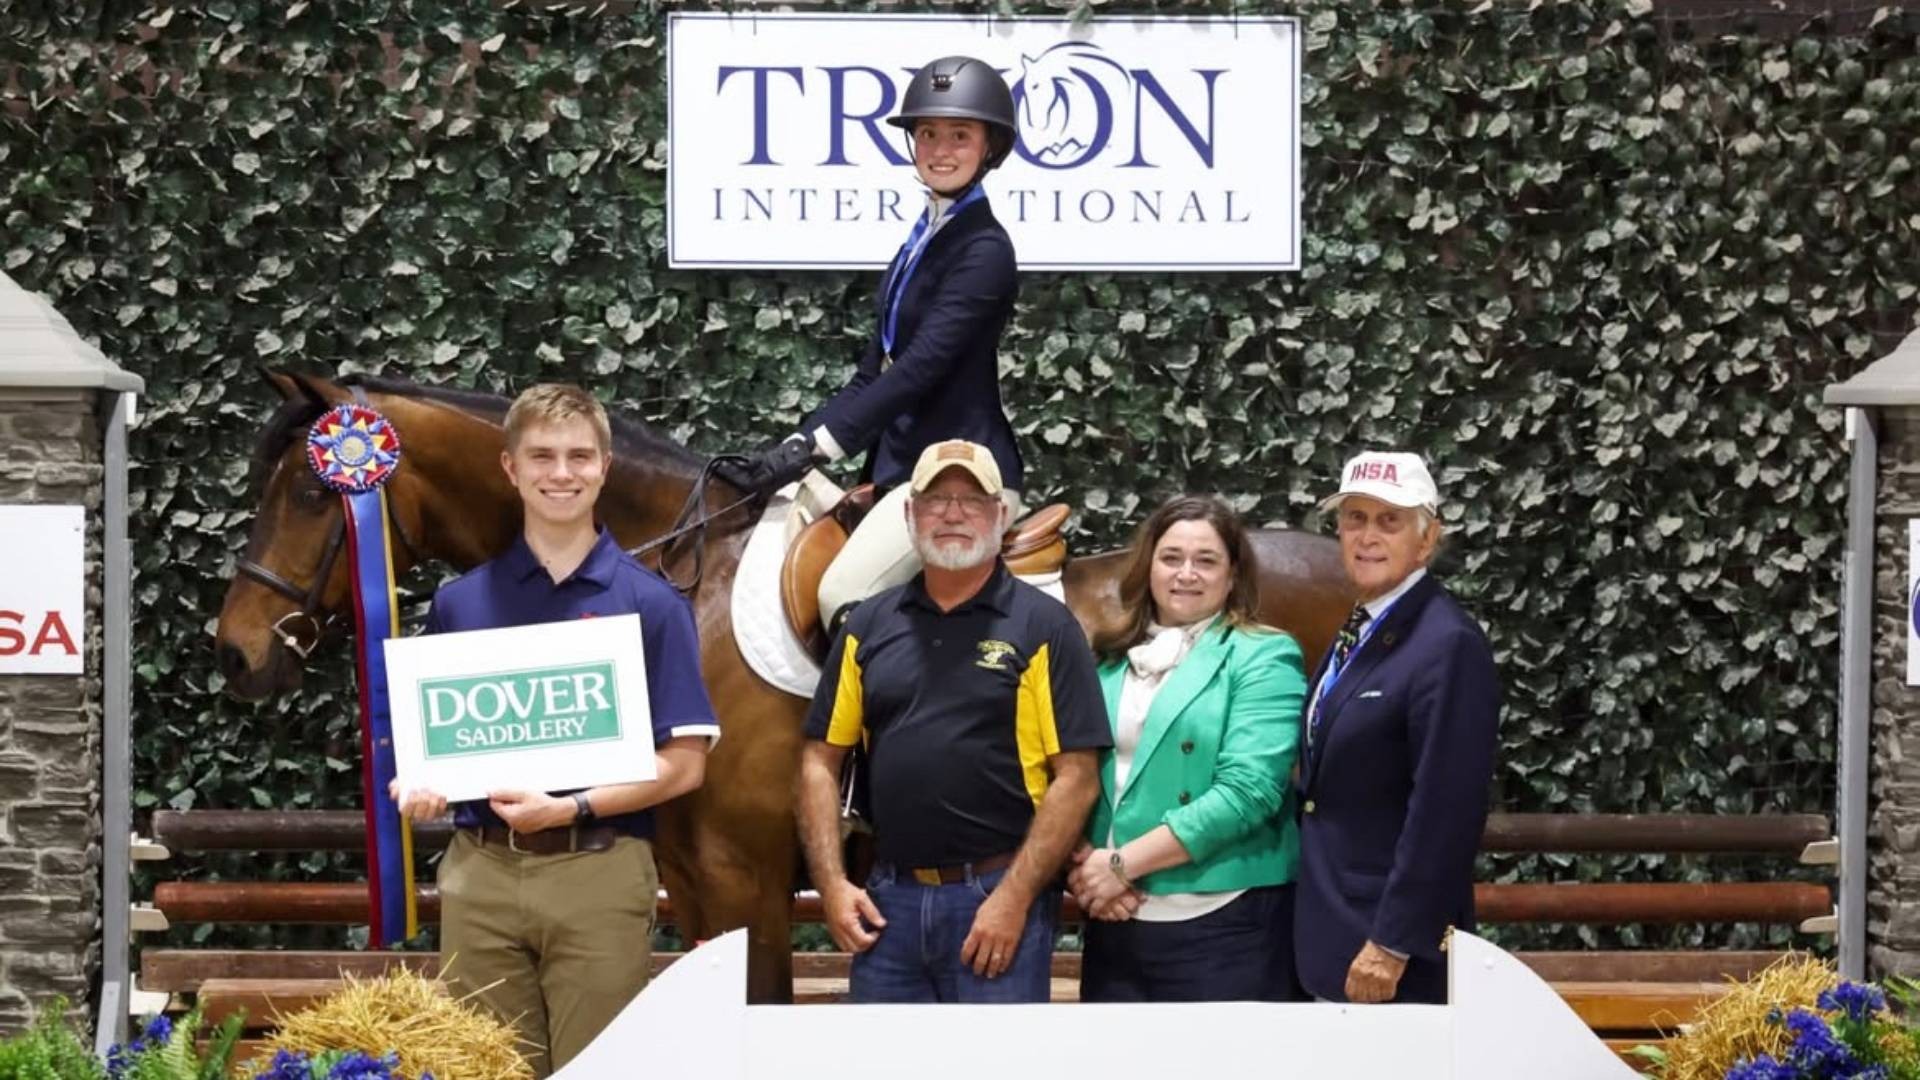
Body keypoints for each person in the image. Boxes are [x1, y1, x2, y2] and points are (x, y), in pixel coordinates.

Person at [389, 384, 719, 1076]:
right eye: (541, 456)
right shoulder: (459, 603)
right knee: (483, 1071)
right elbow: (436, 752)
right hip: (478, 872)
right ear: (511, 468)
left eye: (577, 456)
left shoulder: (651, 604)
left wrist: (570, 806)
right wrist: (420, 783)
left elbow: (685, 765)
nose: (560, 473)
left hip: (596, 869)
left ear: (604, 467)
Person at [795, 439, 1109, 1003]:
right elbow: (820, 761)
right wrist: (833, 885)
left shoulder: (1044, 626)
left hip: (995, 899)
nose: (953, 513)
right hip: (888, 902)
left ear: (1002, 514)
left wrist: (1012, 899)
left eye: (972, 499)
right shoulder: (867, 625)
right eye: (936, 499)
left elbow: (1077, 777)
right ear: (910, 515)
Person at [731, 56, 1026, 629]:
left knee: (844, 592)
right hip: (901, 468)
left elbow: (918, 370)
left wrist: (822, 448)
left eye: (959, 135)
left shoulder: (985, 250)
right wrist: (796, 444)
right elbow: (875, 371)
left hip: (960, 476)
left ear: (989, 147)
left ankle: (879, 722)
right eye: (928, 134)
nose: (940, 148)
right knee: (771, 525)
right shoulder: (921, 241)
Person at [1065, 495, 1308, 1002]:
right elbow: (1071, 773)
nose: (1186, 574)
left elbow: (1248, 792)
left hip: (1224, 924)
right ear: (1148, 565)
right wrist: (1083, 866)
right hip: (1117, 917)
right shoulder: (1107, 658)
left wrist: (1120, 865)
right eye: (1171, 558)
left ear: (1233, 573)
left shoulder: (1265, 655)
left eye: (1206, 560)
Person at [1293, 451, 1500, 1005]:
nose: (1367, 536)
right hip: (1330, 932)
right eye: (1354, 518)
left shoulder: (1447, 642)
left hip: (1387, 956)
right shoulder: (1362, 624)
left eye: (1390, 521)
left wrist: (1393, 943)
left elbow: (1447, 809)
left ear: (1427, 539)